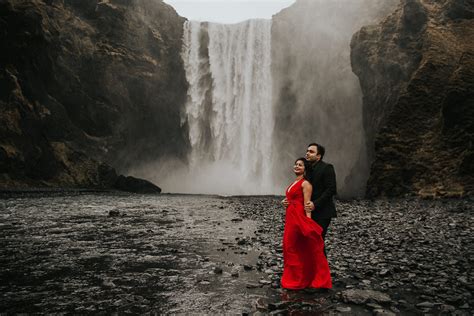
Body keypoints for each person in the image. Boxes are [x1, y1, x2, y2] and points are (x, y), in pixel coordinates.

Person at [280, 158, 332, 289]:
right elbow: (291, 198)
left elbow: (307, 204)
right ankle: (293, 277)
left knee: (292, 246)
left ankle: (300, 279)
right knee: (288, 246)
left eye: (300, 165)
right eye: (296, 164)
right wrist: (284, 202)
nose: (297, 166)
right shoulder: (294, 182)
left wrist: (308, 222)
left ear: (305, 169)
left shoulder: (306, 184)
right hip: (290, 217)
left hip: (298, 217)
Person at [303, 143, 337, 242]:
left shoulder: (327, 167)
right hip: (309, 212)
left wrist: (315, 204)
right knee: (310, 242)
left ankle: (321, 258)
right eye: (307, 151)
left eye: (311, 151)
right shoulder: (307, 169)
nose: (307, 153)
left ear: (319, 156)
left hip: (323, 212)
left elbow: (331, 189)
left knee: (317, 240)